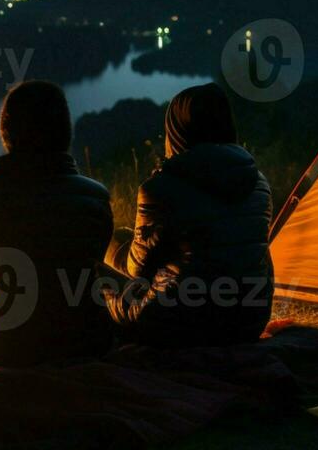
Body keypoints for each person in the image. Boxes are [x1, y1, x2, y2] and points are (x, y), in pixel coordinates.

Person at [0, 80, 114, 367]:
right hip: (86, 345)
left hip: (9, 354)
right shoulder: (96, 196)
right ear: (65, 131)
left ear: (6, 132)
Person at [104, 83, 274, 346]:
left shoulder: (160, 188)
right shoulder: (258, 183)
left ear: (177, 130)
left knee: (95, 267)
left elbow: (136, 269)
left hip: (180, 325)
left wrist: (113, 248)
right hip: (248, 320)